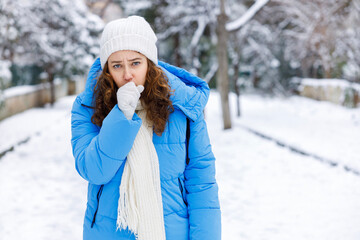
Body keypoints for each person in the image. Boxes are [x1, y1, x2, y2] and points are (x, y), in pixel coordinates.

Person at [71, 15, 221, 240]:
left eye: (135, 63)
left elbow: (202, 183)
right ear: (107, 69)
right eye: (117, 65)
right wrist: (121, 115)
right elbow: (93, 170)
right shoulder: (88, 106)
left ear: (150, 63)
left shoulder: (183, 109)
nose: (127, 74)